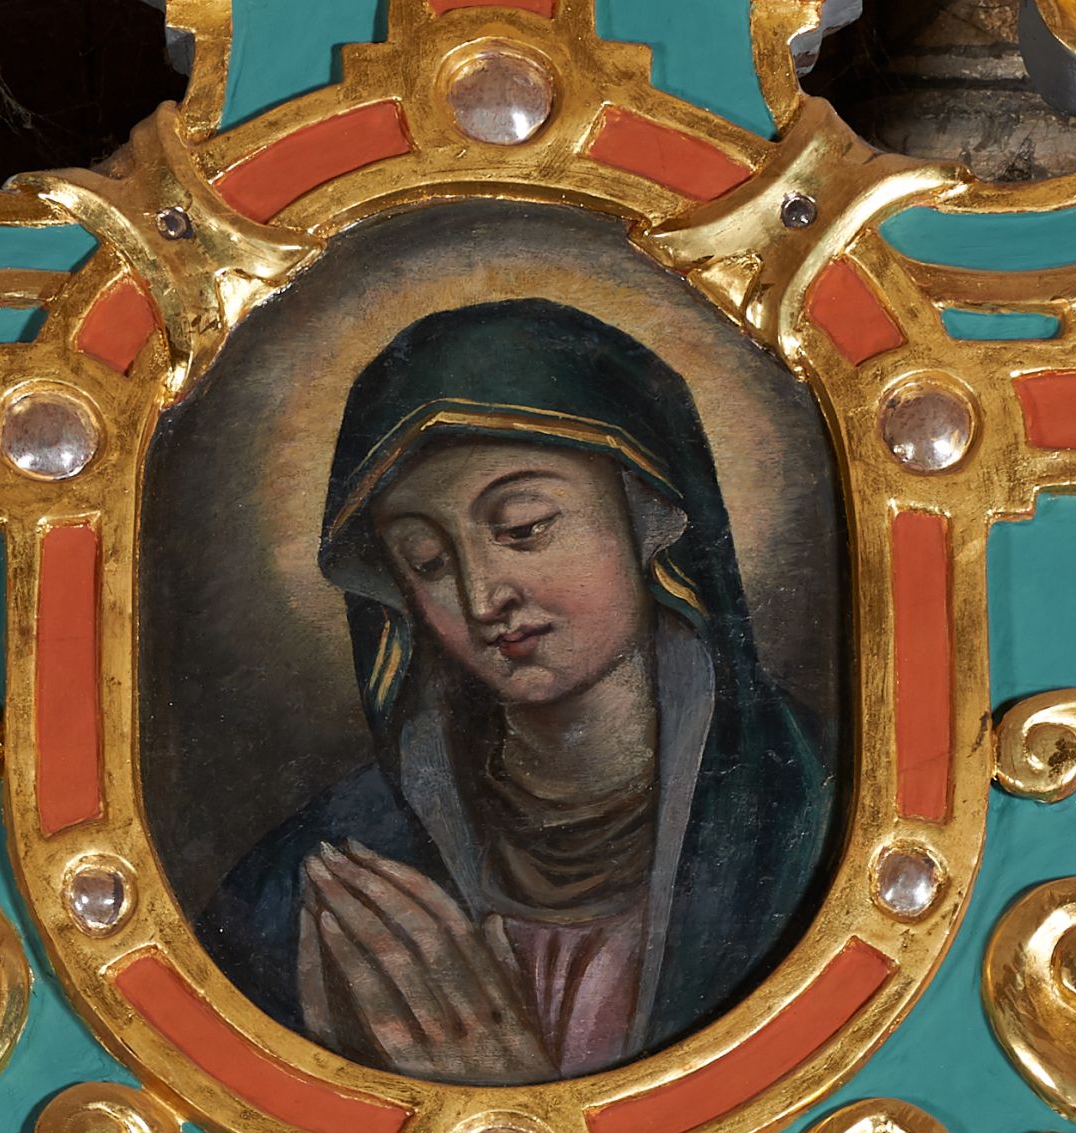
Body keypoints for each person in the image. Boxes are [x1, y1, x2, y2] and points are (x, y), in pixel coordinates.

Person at [198, 298, 831, 1086]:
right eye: (428, 562)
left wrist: (504, 1079)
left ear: (649, 510)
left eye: (524, 527)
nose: (481, 596)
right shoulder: (324, 870)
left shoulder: (811, 815)